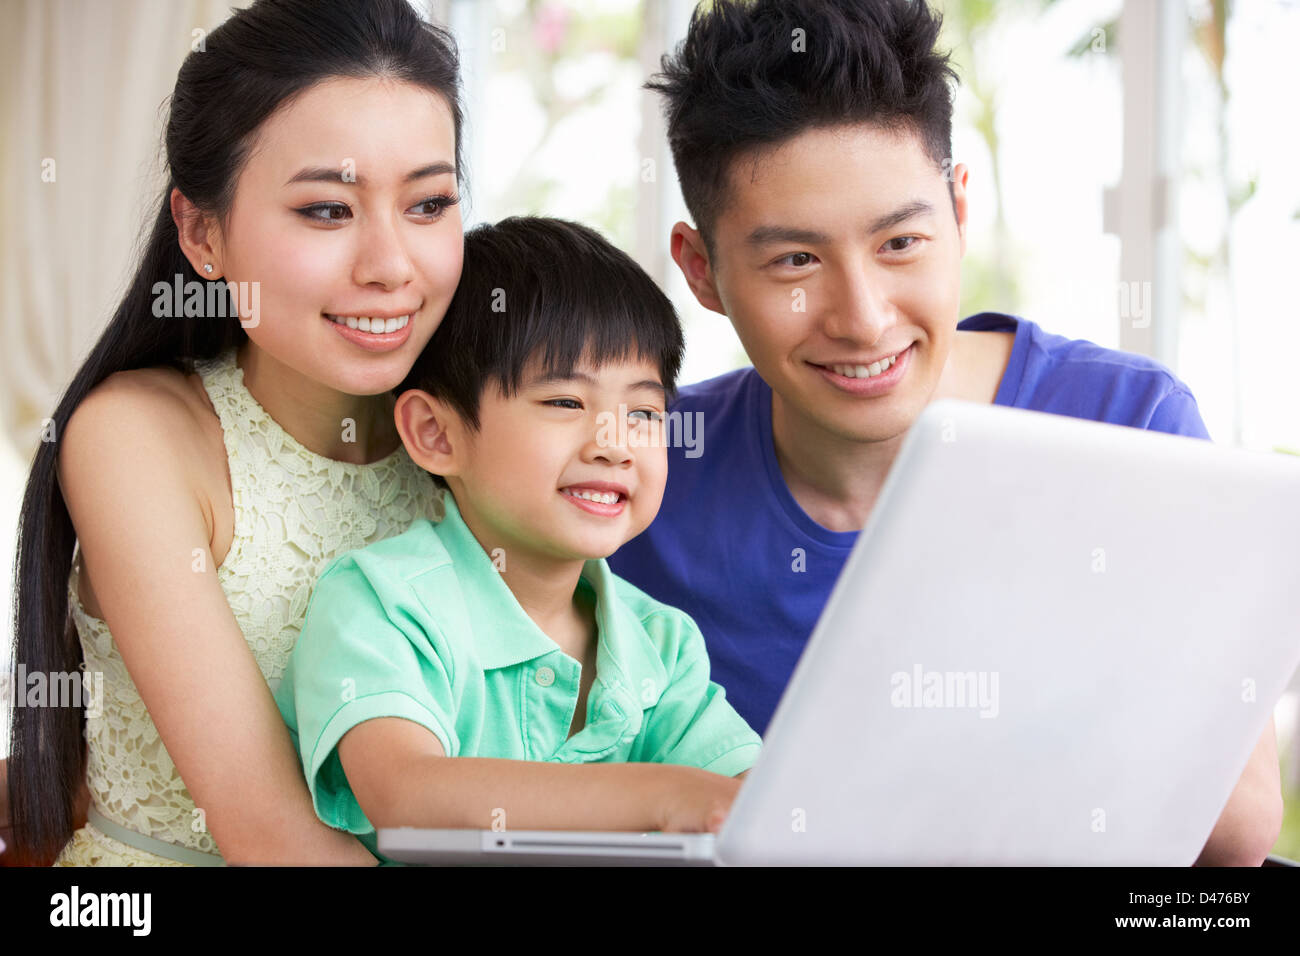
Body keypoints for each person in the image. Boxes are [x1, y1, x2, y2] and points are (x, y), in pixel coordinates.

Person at [607, 0, 1283, 865]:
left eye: (900, 242)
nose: (862, 319)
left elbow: (1235, 833)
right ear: (701, 271)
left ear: (960, 212)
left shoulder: (1132, 428)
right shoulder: (643, 467)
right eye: (795, 262)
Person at [4, 0, 466, 866]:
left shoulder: (469, 440)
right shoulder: (137, 436)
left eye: (430, 203)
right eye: (328, 209)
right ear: (202, 233)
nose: (391, 266)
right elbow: (267, 833)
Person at [274, 217, 760, 862]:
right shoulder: (383, 604)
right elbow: (407, 794)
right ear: (436, 433)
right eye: (565, 402)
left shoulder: (662, 642)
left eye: (642, 412)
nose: (614, 444)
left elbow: (746, 795)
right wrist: (666, 795)